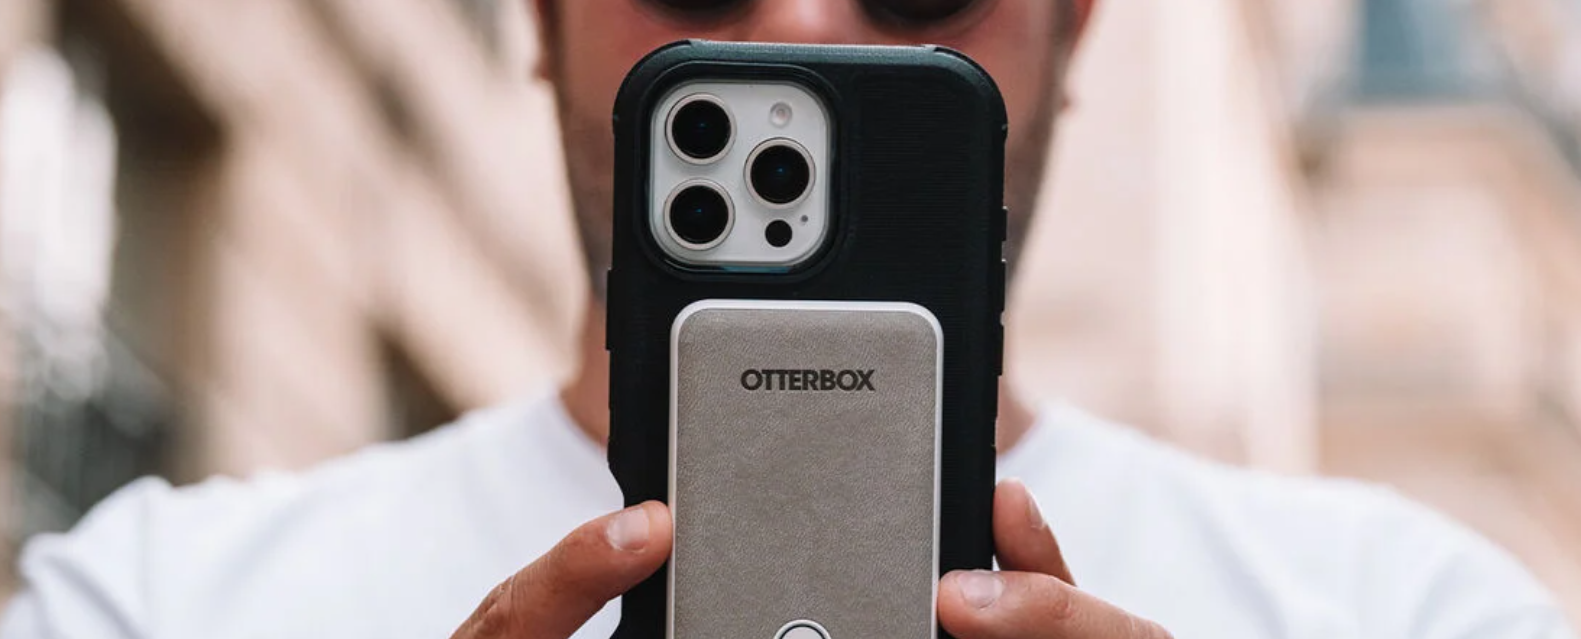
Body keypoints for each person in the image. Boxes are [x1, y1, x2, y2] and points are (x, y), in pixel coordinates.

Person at [3, 1, 1576, 637]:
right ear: (535, 24)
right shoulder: (148, 602)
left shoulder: (1409, 608)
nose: (807, 25)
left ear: (1076, 29)